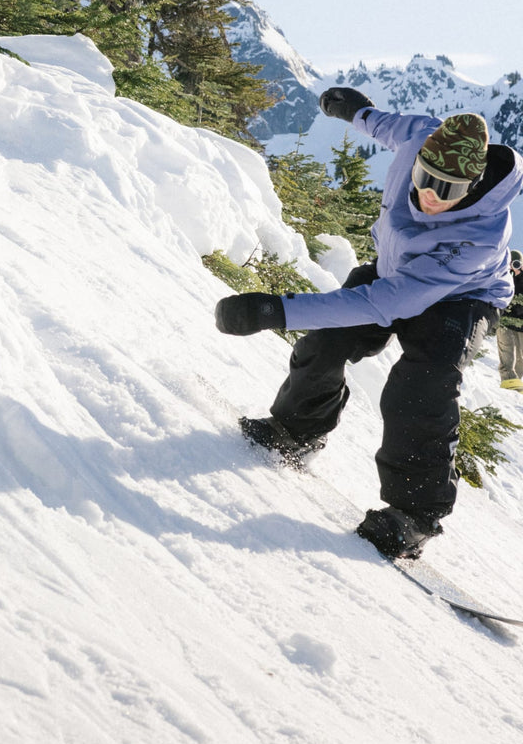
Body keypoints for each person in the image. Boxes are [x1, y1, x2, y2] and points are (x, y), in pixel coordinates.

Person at [215, 88, 523, 560]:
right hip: (395, 270)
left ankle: (415, 515)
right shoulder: (420, 137)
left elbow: (383, 304)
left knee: (421, 387)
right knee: (327, 340)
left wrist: (275, 310)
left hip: (461, 298)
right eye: (425, 177)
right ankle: (297, 429)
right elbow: (389, 126)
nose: (429, 195)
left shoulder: (479, 238)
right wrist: (356, 111)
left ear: (472, 186)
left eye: (447, 189)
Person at [496, 249, 523, 390]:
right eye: (511, 263)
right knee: (507, 352)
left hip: (521, 324)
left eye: (517, 263)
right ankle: (508, 380)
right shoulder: (505, 277)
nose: (514, 266)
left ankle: (515, 383)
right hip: (505, 322)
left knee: (521, 358)